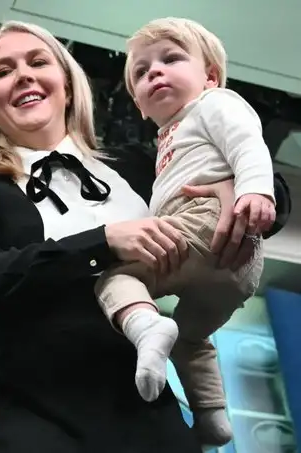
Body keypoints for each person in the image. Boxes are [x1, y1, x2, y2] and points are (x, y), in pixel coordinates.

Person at [0, 20, 292, 453]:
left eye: (38, 62)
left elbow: (262, 181)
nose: (24, 75)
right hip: (35, 410)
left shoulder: (135, 164)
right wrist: (101, 243)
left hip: (147, 409)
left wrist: (233, 189)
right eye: (3, 71)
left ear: (68, 87)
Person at [93, 17, 277, 447]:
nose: (154, 71)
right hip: (235, 269)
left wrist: (256, 190)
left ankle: (145, 326)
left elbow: (248, 143)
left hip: (204, 226)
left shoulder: (214, 104)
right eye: (141, 72)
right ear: (139, 105)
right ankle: (212, 417)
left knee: (113, 277)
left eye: (171, 59)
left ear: (210, 76)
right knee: (191, 338)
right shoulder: (168, 138)